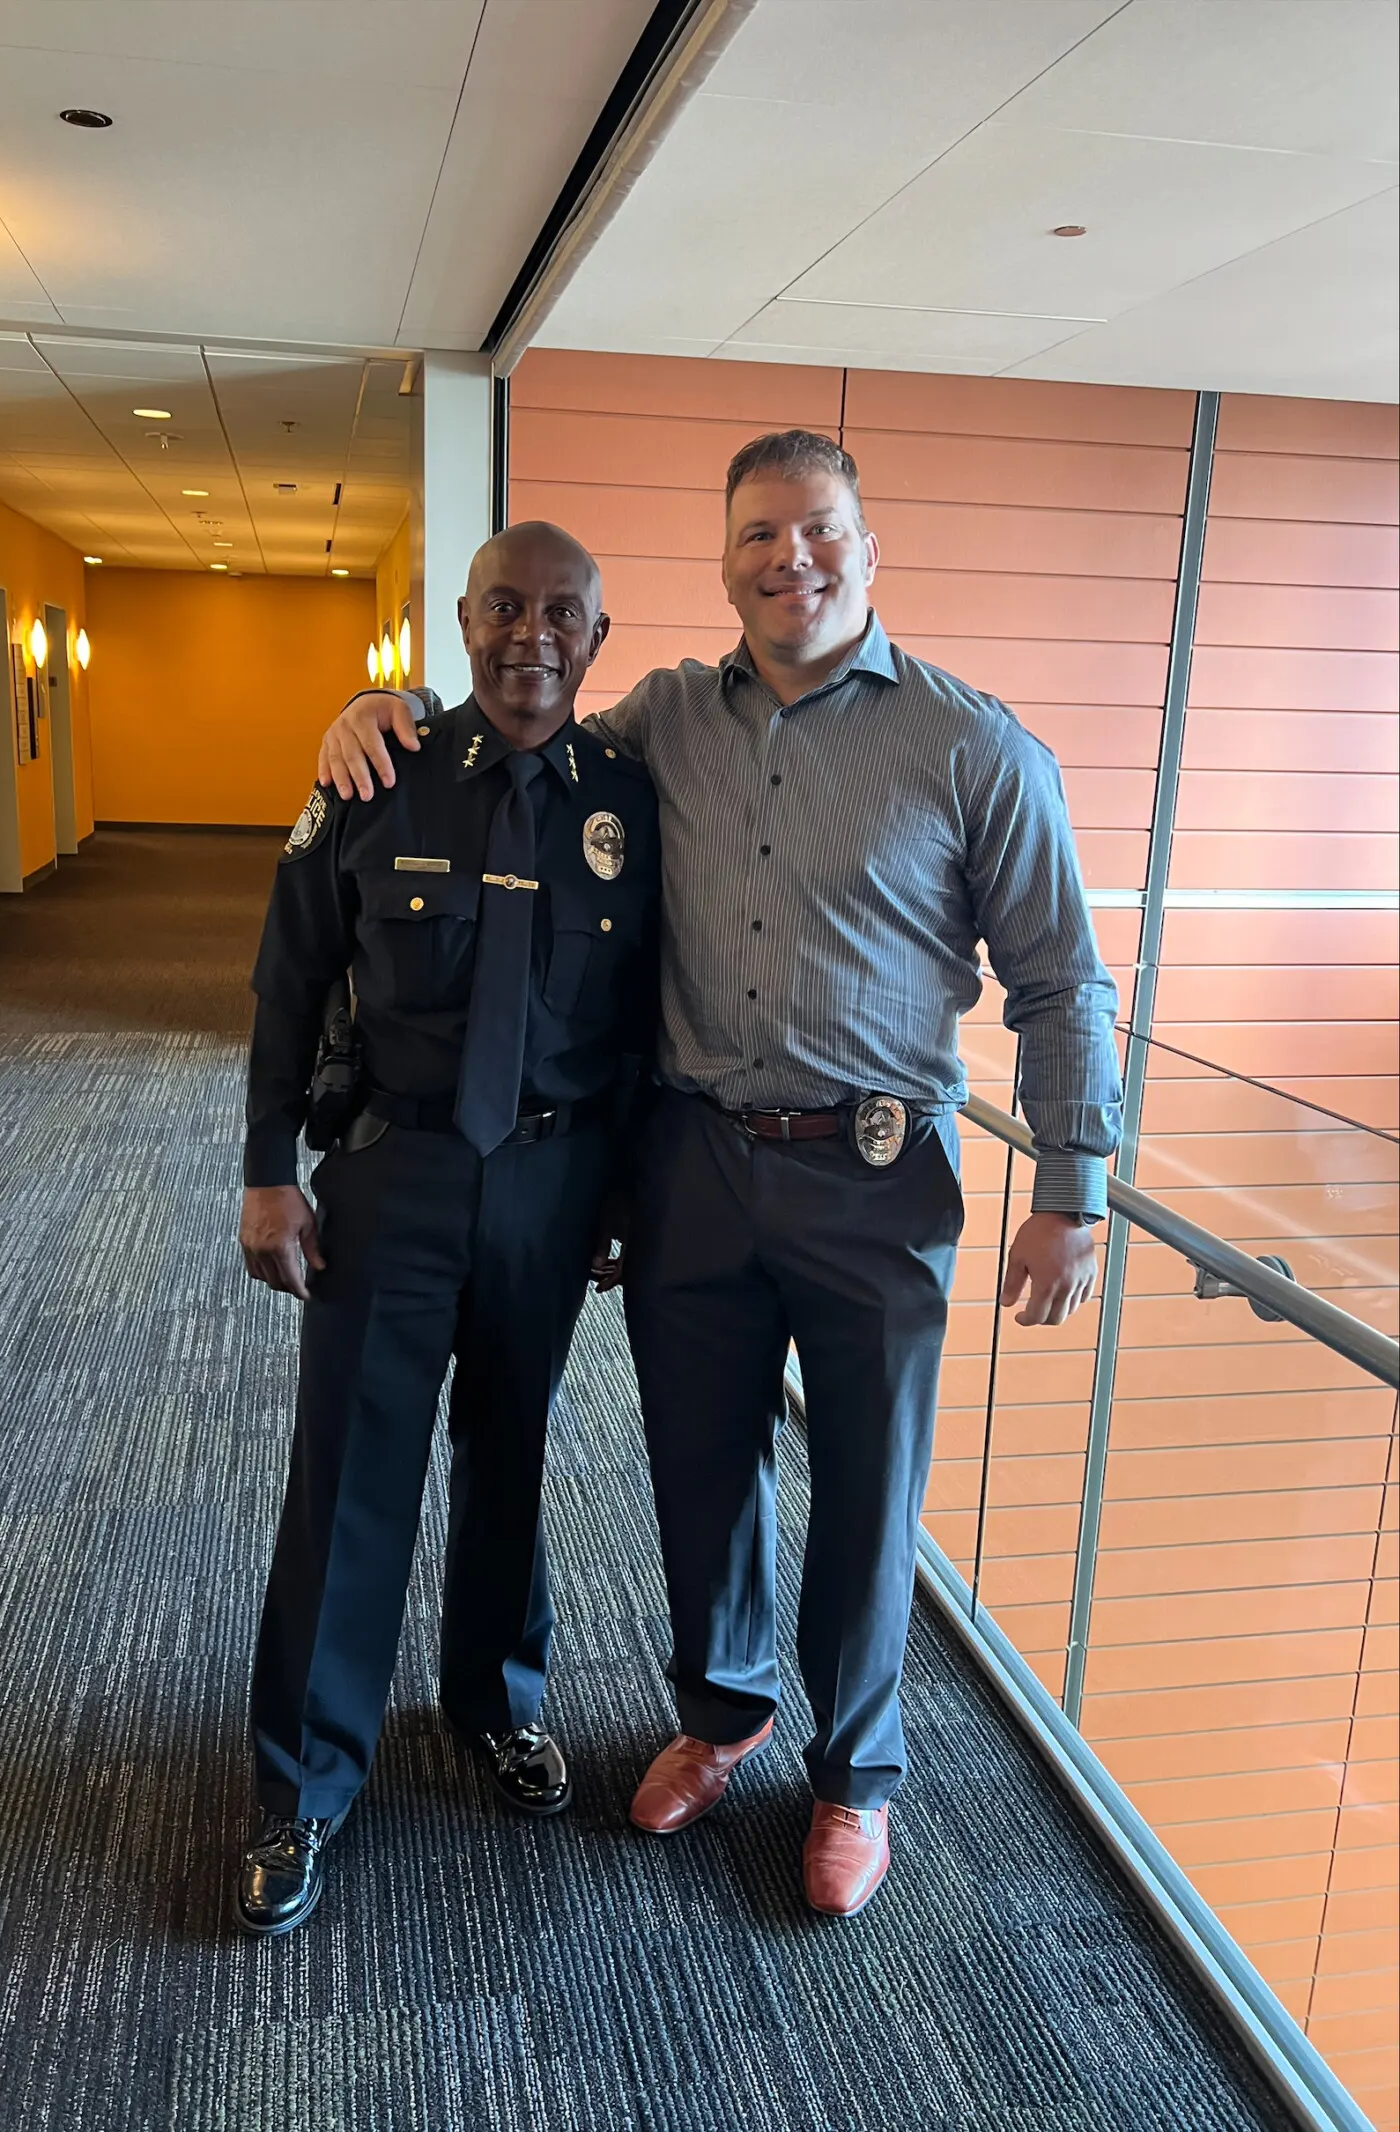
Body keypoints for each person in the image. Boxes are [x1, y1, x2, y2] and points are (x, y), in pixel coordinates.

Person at [317, 430, 1121, 1919]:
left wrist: (1072, 1188)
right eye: (757, 536)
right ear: (726, 561)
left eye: (815, 532)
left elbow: (1061, 980)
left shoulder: (972, 747)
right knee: (700, 1472)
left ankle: (855, 1776)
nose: (787, 560)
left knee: (869, 1493)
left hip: (877, 1180)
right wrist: (389, 712)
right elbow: (523, 724)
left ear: (867, 552)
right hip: (691, 1163)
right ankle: (726, 1713)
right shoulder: (665, 719)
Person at [236, 521, 658, 1936]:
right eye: (504, 609)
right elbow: (288, 979)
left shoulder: (629, 799)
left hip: (549, 1188)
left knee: (515, 1459)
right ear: (460, 626)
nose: (531, 634)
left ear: (599, 640)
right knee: (352, 1475)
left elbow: (649, 1022)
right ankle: (304, 1783)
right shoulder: (376, 769)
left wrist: (621, 1197)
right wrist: (263, 1167)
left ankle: (495, 1704)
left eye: (562, 614)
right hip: (394, 1173)